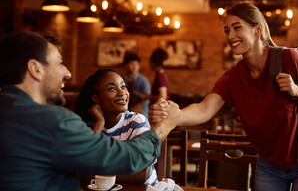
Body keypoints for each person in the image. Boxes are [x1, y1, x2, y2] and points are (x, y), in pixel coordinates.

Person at [150, 3, 298, 191]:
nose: (230, 36)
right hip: (270, 166)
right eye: (227, 30)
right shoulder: (233, 77)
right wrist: (172, 115)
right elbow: (204, 109)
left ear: (258, 30)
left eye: (237, 28)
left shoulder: (289, 58)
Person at [0, 31, 180, 191]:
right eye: (59, 63)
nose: (68, 73)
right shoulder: (53, 122)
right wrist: (164, 126)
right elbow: (129, 159)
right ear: (36, 69)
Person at [74, 68, 157, 185]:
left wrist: (93, 174)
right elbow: (78, 169)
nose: (122, 92)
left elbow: (140, 175)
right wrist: (99, 123)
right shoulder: (91, 127)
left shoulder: (136, 121)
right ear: (96, 98)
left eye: (123, 87)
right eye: (112, 89)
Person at [122, 51, 151, 118]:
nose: (135, 66)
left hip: (141, 114)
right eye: (132, 64)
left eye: (137, 64)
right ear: (126, 65)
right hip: (123, 113)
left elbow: (145, 101)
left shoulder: (144, 81)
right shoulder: (121, 79)